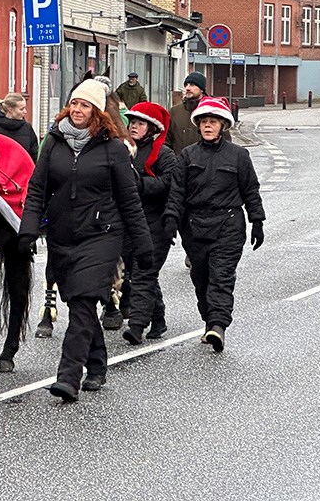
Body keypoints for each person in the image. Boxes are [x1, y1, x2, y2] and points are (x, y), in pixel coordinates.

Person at [19, 79, 152, 402]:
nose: (78, 110)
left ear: (98, 112)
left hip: (102, 235)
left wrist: (143, 245)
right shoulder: (54, 142)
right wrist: (28, 230)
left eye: (85, 106)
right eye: (75, 104)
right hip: (63, 235)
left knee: (83, 301)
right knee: (79, 302)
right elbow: (37, 189)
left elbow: (129, 200)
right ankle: (96, 362)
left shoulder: (113, 148)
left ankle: (68, 377)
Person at [163, 97, 265, 352]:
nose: (208, 126)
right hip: (195, 226)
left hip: (228, 225)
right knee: (201, 278)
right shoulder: (187, 156)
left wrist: (257, 221)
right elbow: (177, 192)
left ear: (223, 126)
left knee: (221, 277)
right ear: (198, 126)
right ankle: (210, 321)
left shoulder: (239, 156)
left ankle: (218, 325)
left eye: (213, 122)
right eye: (204, 122)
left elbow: (251, 190)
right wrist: (171, 219)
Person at [120, 102, 178, 343]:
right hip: (129, 222)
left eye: (140, 123)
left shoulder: (164, 154)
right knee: (139, 273)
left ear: (152, 128)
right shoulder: (124, 151)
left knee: (144, 274)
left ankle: (136, 326)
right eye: (132, 122)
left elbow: (170, 183)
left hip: (156, 222)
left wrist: (141, 183)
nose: (133, 126)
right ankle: (158, 317)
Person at [168, 71, 230, 154]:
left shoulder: (213, 111)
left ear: (201, 89)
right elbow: (166, 141)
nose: (187, 88)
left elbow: (225, 142)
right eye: (186, 85)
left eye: (192, 85)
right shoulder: (174, 112)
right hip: (180, 160)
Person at [0, 93, 39, 162]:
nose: (25, 111)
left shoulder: (28, 128)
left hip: (23, 168)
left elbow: (34, 155)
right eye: (21, 109)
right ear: (11, 110)